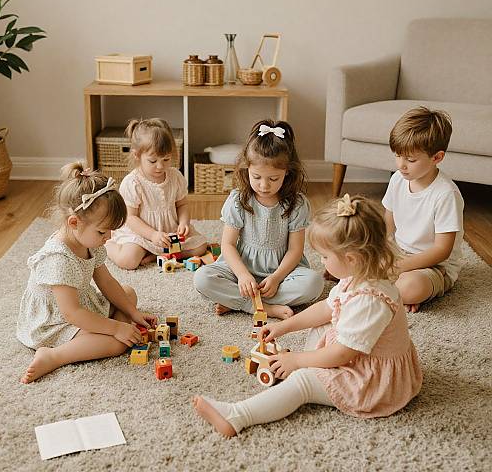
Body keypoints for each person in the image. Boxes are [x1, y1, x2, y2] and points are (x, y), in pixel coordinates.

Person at [193, 194, 423, 436]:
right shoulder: (357, 275)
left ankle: (236, 416)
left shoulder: (370, 301)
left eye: (325, 256)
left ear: (352, 258)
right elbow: (326, 309)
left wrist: (299, 361)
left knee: (302, 382)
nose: (321, 261)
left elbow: (343, 353)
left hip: (370, 382)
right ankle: (309, 365)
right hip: (358, 353)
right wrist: (285, 326)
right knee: (323, 326)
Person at [17, 163, 157, 384]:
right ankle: (53, 356)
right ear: (74, 222)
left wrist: (131, 313)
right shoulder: (58, 259)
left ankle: (119, 324)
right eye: (103, 231)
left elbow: (106, 281)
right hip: (56, 320)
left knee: (128, 293)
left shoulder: (90, 240)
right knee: (116, 344)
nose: (109, 237)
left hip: (81, 302)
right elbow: (72, 313)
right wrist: (116, 328)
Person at [194, 119, 324, 320]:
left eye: (273, 179)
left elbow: (295, 250)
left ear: (287, 172)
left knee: (314, 283)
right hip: (241, 267)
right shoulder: (239, 200)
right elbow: (227, 245)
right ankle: (260, 306)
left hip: (281, 271)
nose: (264, 185)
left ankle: (239, 301)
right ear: (247, 169)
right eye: (257, 177)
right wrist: (243, 275)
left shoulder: (297, 204)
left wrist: (276, 277)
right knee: (202, 279)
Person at [383, 106, 464, 313]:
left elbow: (441, 251)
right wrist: (379, 253)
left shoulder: (445, 194)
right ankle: (394, 291)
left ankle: (399, 291)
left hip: (435, 265)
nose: (401, 165)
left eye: (410, 160)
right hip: (399, 253)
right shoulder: (397, 179)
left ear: (437, 157)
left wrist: (399, 267)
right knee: (344, 257)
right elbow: (387, 225)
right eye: (397, 156)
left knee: (410, 286)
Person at [106, 118, 207, 269]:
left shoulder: (175, 177)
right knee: (128, 260)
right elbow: (130, 217)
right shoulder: (133, 182)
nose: (160, 166)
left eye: (166, 159)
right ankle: (108, 245)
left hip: (169, 231)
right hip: (141, 233)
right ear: (137, 156)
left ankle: (157, 254)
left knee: (201, 247)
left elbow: (182, 204)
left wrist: (184, 222)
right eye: (153, 161)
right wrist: (152, 235)